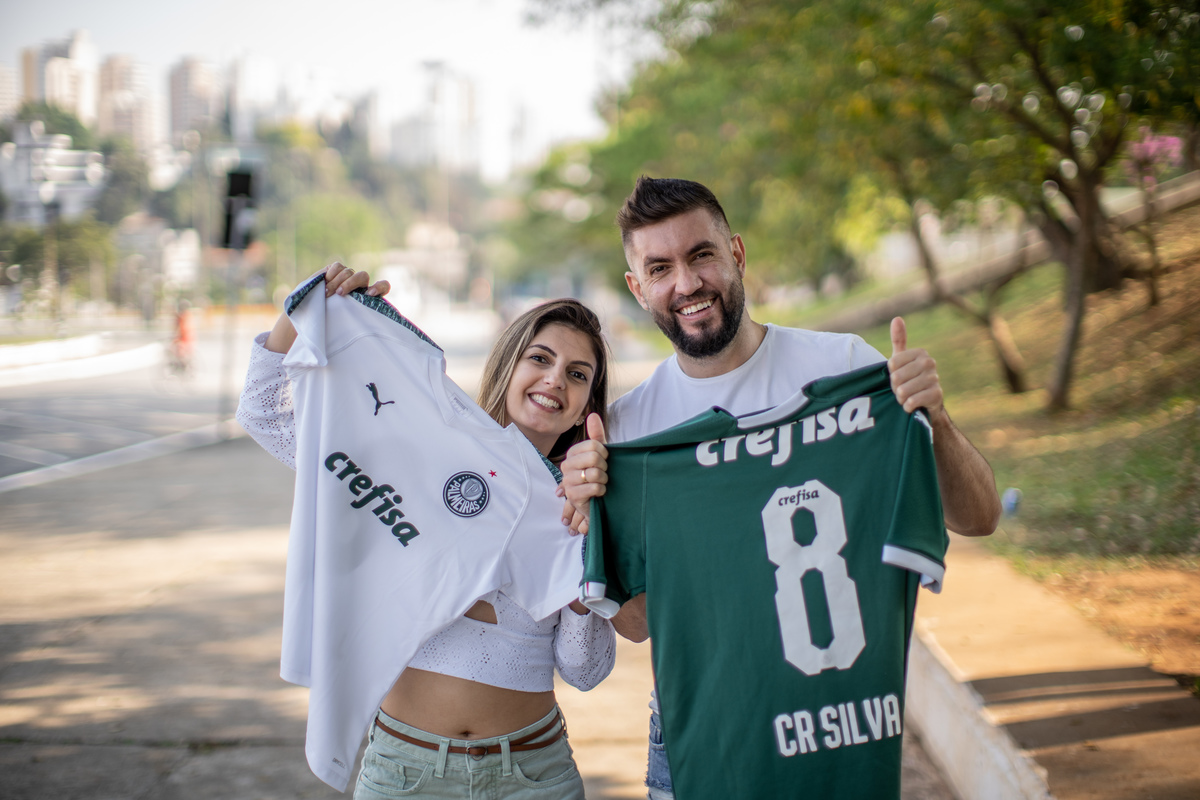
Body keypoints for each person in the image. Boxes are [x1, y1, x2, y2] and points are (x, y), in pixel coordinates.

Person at [558, 177, 1002, 799]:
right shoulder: (631, 433)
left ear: (736, 253)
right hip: (704, 730)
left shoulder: (847, 368)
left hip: (839, 722)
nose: (686, 284)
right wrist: (591, 517)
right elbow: (637, 625)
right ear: (638, 288)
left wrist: (938, 419)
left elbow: (980, 518)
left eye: (701, 255)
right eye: (660, 268)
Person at [237, 262, 618, 799]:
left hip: (534, 776)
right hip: (403, 772)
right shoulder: (417, 456)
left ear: (586, 405)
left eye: (578, 374)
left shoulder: (582, 507)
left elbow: (585, 670)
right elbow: (263, 412)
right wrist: (312, 305)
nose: (556, 379)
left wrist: (590, 539)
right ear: (509, 365)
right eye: (540, 358)